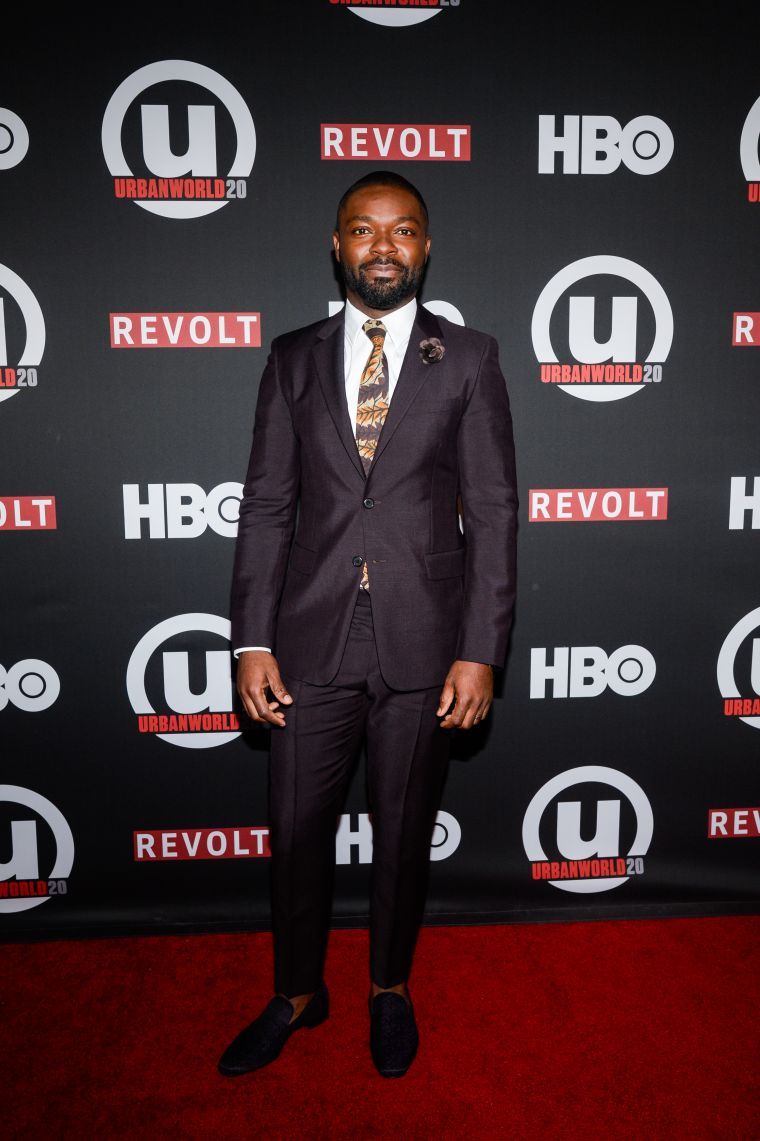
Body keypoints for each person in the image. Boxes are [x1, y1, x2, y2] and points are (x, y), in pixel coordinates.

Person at [218, 170, 517, 1079]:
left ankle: (389, 986)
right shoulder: (291, 358)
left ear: (425, 246)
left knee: (403, 830)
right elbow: (267, 506)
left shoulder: (469, 358)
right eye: (363, 228)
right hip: (308, 642)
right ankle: (297, 992)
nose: (383, 245)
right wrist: (251, 638)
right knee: (295, 830)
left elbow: (493, 512)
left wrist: (480, 649)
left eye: (402, 229)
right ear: (337, 244)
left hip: (426, 644)